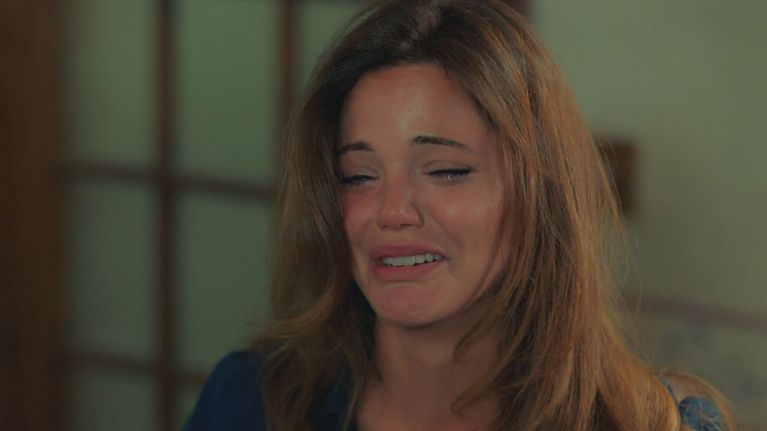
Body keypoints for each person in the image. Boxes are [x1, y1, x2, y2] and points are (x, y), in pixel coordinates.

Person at [185, 0, 735, 429]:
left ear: (537, 194)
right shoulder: (250, 403)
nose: (392, 212)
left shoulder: (653, 423)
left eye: (445, 170)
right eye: (358, 176)